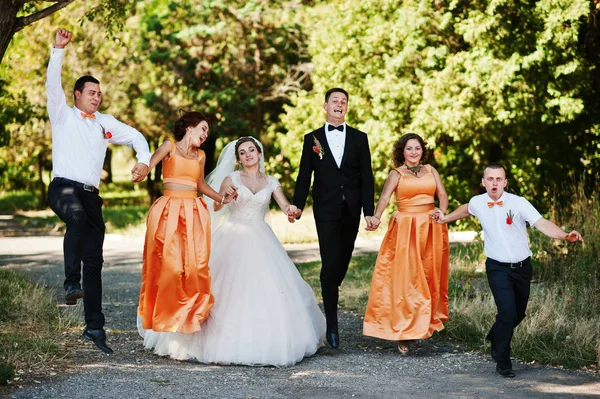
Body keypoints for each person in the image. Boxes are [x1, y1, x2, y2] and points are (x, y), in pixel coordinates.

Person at [138, 137, 326, 367]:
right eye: (242, 152)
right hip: (232, 234)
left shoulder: (271, 181)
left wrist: (292, 210)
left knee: (267, 288)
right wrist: (225, 197)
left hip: (261, 237)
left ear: (259, 153)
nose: (247, 155)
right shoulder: (233, 178)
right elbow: (217, 205)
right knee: (220, 287)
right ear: (237, 158)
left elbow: (285, 205)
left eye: (251, 150)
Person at [46, 28, 151, 354]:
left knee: (95, 262)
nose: (96, 97)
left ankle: (94, 327)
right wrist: (58, 51)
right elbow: (52, 87)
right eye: (91, 92)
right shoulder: (62, 115)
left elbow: (136, 136)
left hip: (92, 196)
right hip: (63, 188)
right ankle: (69, 283)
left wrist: (144, 161)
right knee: (74, 216)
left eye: (99, 93)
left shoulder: (104, 121)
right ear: (77, 94)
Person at [431, 163, 583, 378]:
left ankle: (495, 335)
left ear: (505, 182)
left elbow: (541, 223)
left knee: (518, 313)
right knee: (507, 312)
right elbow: (467, 208)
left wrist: (565, 235)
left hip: (522, 267)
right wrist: (445, 218)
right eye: (490, 179)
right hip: (497, 267)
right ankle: (503, 360)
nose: (494, 183)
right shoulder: (478, 202)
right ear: (483, 183)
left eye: (498, 179)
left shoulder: (519, 203)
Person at [137, 111, 236, 337]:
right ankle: (167, 317)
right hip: (168, 213)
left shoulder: (200, 156)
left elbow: (200, 185)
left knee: (195, 266)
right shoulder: (168, 147)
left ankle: (190, 316)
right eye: (203, 129)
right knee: (169, 265)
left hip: (194, 212)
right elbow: (148, 165)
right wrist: (140, 170)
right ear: (189, 127)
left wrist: (222, 198)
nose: (205, 135)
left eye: (207, 132)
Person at [291, 88, 376, 349]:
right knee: (330, 261)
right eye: (335, 101)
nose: (339, 104)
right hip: (325, 209)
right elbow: (305, 175)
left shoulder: (360, 138)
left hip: (351, 208)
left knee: (342, 261)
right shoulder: (312, 139)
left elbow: (367, 177)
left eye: (344, 101)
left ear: (347, 107)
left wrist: (369, 211)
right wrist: (296, 205)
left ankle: (328, 285)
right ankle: (332, 324)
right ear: (325, 106)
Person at [362, 133, 450, 355]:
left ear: (422, 150)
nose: (414, 152)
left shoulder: (431, 170)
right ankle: (404, 331)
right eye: (409, 148)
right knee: (407, 279)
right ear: (402, 151)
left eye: (417, 148)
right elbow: (384, 198)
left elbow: (442, 194)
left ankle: (424, 323)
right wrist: (376, 217)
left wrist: (442, 211)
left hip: (431, 226)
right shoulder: (396, 173)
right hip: (406, 229)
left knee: (429, 275)